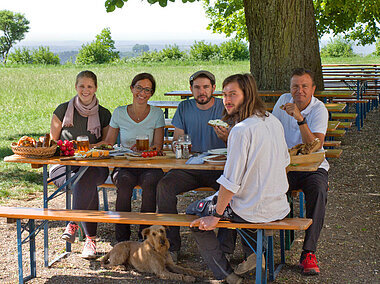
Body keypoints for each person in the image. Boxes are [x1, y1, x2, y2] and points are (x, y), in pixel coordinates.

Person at [189, 73, 291, 284]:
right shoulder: (273, 120)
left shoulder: (241, 130)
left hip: (252, 210)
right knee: (227, 200)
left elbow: (230, 182)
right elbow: (285, 163)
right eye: (225, 94)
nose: (227, 100)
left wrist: (215, 216)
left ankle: (225, 274)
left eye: (233, 94)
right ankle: (255, 253)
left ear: (248, 95)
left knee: (195, 213)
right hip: (278, 205)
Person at [156, 70, 227, 262]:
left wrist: (226, 137)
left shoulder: (224, 107)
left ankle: (224, 249)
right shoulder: (184, 107)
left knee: (231, 191)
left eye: (205, 87)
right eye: (197, 87)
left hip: (218, 167)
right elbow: (177, 138)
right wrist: (177, 144)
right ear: (191, 89)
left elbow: (237, 141)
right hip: (191, 165)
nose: (201, 91)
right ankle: (172, 245)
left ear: (214, 88)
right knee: (164, 186)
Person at [272, 67, 329, 275]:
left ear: (313, 88)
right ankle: (261, 249)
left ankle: (308, 252)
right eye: (295, 86)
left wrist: (299, 118)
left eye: (305, 86)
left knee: (319, 191)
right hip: (286, 165)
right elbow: (271, 130)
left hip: (313, 167)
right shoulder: (282, 100)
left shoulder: (318, 109)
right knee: (260, 185)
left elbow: (316, 145)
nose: (299, 91)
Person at [49, 70, 111, 259]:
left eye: (89, 86)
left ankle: (75, 224)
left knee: (84, 181)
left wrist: (91, 147)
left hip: (95, 164)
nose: (85, 90)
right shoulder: (62, 110)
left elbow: (108, 142)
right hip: (64, 163)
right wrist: (69, 148)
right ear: (76, 87)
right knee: (81, 183)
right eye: (82, 86)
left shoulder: (104, 113)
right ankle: (90, 240)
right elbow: (52, 141)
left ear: (96, 88)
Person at [98, 73, 165, 242]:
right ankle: (122, 239)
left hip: (149, 164)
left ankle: (145, 237)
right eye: (139, 88)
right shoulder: (120, 112)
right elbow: (109, 142)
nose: (142, 92)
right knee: (124, 182)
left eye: (147, 90)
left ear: (151, 93)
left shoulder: (157, 113)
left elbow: (158, 145)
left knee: (151, 183)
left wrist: (149, 148)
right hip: (125, 164)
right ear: (132, 88)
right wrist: (89, 146)